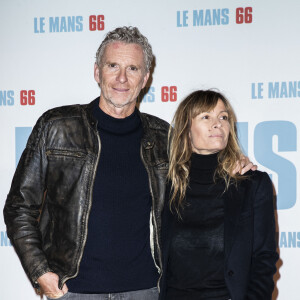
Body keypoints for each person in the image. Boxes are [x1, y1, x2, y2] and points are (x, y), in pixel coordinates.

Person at [3, 27, 254, 300]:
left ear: (145, 78)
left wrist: (231, 163)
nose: (122, 78)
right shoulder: (56, 127)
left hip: (146, 290)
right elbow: (19, 207)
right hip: (74, 291)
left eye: (133, 68)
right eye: (113, 66)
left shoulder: (163, 137)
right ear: (97, 72)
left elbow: (200, 176)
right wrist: (40, 273)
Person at [159, 90, 278, 300]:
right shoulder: (164, 184)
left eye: (223, 117)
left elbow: (264, 259)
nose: (218, 124)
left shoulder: (253, 184)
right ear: (186, 129)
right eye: (206, 117)